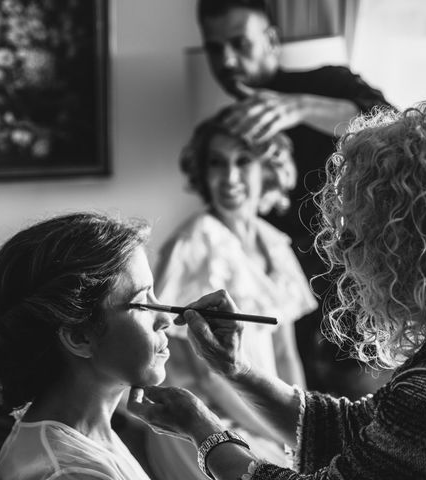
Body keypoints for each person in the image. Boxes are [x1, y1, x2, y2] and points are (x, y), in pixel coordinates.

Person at [127, 102, 426, 479]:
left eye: (359, 233)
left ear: (415, 244)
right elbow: (359, 430)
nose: (344, 253)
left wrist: (202, 429)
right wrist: (238, 370)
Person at [197, 0, 395, 396]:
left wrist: (298, 106)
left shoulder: (328, 83)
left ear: (271, 41)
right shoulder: (232, 128)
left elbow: (391, 125)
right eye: (216, 48)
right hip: (283, 309)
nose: (228, 59)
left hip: (354, 301)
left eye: (240, 43)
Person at [143, 107, 317, 480]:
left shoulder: (274, 244)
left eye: (243, 162)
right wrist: (285, 435)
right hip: (203, 418)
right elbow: (210, 376)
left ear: (267, 169)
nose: (230, 177)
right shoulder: (197, 243)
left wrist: (302, 426)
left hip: (262, 409)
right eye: (217, 164)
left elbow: (287, 356)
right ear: (203, 173)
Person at [0, 212, 172, 480]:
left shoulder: (81, 431)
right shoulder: (74, 472)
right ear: (79, 337)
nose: (166, 319)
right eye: (142, 304)